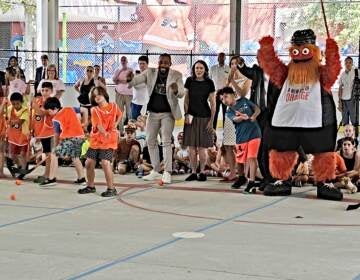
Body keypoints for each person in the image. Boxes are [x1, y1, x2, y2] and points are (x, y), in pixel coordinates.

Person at [127, 53, 185, 184]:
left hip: (168, 114)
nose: (163, 64)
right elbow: (136, 81)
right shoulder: (150, 72)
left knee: (165, 141)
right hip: (152, 113)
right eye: (161, 62)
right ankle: (156, 170)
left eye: (166, 62)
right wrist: (130, 78)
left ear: (170, 64)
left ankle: (167, 172)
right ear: (158, 63)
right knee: (150, 140)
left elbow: (181, 93)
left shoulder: (176, 75)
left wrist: (176, 90)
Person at [78, 87, 122, 197]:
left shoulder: (114, 106)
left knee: (105, 163)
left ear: (104, 94)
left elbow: (120, 114)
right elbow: (98, 125)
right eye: (94, 95)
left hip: (108, 141)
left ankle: (111, 189)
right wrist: (104, 132)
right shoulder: (94, 110)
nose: (96, 97)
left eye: (99, 94)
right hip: (96, 140)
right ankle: (90, 186)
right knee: (89, 163)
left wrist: (116, 124)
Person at [237, 57, 274, 189]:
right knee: (259, 146)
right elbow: (246, 71)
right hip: (258, 113)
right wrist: (241, 64)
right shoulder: (256, 71)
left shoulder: (277, 74)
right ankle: (266, 177)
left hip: (271, 114)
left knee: (267, 146)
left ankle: (270, 178)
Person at [42, 97, 88, 187]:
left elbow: (56, 135)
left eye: (49, 111)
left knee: (54, 155)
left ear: (55, 109)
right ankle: (81, 179)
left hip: (70, 139)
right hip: (80, 137)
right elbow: (85, 109)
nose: (49, 114)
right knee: (75, 157)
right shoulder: (70, 108)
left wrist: (55, 147)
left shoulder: (56, 119)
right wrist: (85, 122)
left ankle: (51, 179)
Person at [223, 87, 262, 193]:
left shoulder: (244, 100)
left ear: (233, 95)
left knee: (252, 157)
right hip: (241, 138)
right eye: (222, 99)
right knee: (240, 161)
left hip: (254, 133)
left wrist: (253, 116)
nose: (224, 100)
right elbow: (235, 119)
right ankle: (241, 178)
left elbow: (257, 109)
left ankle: (251, 183)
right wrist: (242, 117)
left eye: (226, 96)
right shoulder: (229, 111)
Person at [183, 60, 216, 181]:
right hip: (191, 117)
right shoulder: (189, 81)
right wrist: (186, 114)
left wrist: (212, 121)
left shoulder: (209, 83)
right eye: (197, 68)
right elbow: (186, 99)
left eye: (201, 68)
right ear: (193, 69)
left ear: (205, 70)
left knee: (202, 147)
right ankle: (193, 171)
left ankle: (202, 171)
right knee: (191, 147)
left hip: (205, 117)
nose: (199, 70)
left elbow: (213, 103)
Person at [31, 82, 57, 184]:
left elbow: (42, 112)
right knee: (46, 154)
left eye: (46, 90)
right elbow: (36, 117)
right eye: (42, 90)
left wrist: (33, 103)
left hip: (51, 132)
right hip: (42, 132)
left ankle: (50, 175)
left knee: (50, 155)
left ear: (51, 91)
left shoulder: (52, 101)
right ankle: (46, 174)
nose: (44, 92)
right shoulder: (39, 100)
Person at [6, 92, 30, 179]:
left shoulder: (25, 110)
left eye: (17, 103)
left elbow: (20, 122)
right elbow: (4, 117)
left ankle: (23, 169)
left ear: (21, 102)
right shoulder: (9, 109)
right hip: (12, 136)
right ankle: (20, 166)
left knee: (22, 155)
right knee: (13, 155)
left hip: (23, 136)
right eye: (13, 103)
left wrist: (10, 121)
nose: (15, 105)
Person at [210, 52, 230, 129]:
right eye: (220, 57)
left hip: (225, 95)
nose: (221, 59)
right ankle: (213, 132)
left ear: (225, 58)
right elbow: (210, 82)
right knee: (215, 113)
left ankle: (225, 133)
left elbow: (230, 81)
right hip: (215, 94)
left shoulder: (228, 69)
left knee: (225, 114)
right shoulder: (213, 68)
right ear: (217, 58)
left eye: (223, 57)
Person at [113, 56, 133, 126]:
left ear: (127, 61)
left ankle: (130, 129)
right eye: (122, 60)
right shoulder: (117, 70)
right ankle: (121, 131)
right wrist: (121, 70)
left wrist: (120, 81)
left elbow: (130, 80)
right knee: (119, 113)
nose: (123, 61)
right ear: (120, 62)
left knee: (129, 113)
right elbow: (115, 81)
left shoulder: (130, 70)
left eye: (124, 60)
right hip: (119, 94)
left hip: (129, 95)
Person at [338, 56, 357, 125]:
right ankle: (347, 135)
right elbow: (340, 88)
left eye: (350, 62)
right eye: (346, 63)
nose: (348, 64)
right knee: (345, 121)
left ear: (352, 63)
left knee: (354, 119)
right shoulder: (342, 74)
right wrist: (339, 102)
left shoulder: (356, 72)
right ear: (344, 64)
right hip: (343, 100)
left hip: (352, 100)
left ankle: (354, 134)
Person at [131, 56, 149, 120]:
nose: (141, 65)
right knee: (133, 123)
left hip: (145, 104)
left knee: (144, 124)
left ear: (147, 64)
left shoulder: (150, 75)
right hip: (135, 102)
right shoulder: (135, 74)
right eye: (140, 63)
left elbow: (138, 86)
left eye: (143, 63)